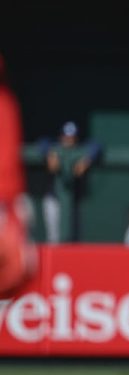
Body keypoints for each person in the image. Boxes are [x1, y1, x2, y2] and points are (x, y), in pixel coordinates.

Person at [0, 53, 35, 296]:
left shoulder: (6, 105)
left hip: (6, 199)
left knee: (21, 264)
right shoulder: (7, 103)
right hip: (8, 198)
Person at [40, 121, 103, 242]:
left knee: (74, 238)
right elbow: (42, 142)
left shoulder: (80, 151)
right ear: (61, 136)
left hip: (73, 202)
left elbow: (97, 145)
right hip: (53, 199)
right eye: (66, 137)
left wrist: (87, 160)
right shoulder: (54, 149)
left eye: (71, 137)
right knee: (54, 239)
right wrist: (48, 154)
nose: (68, 140)